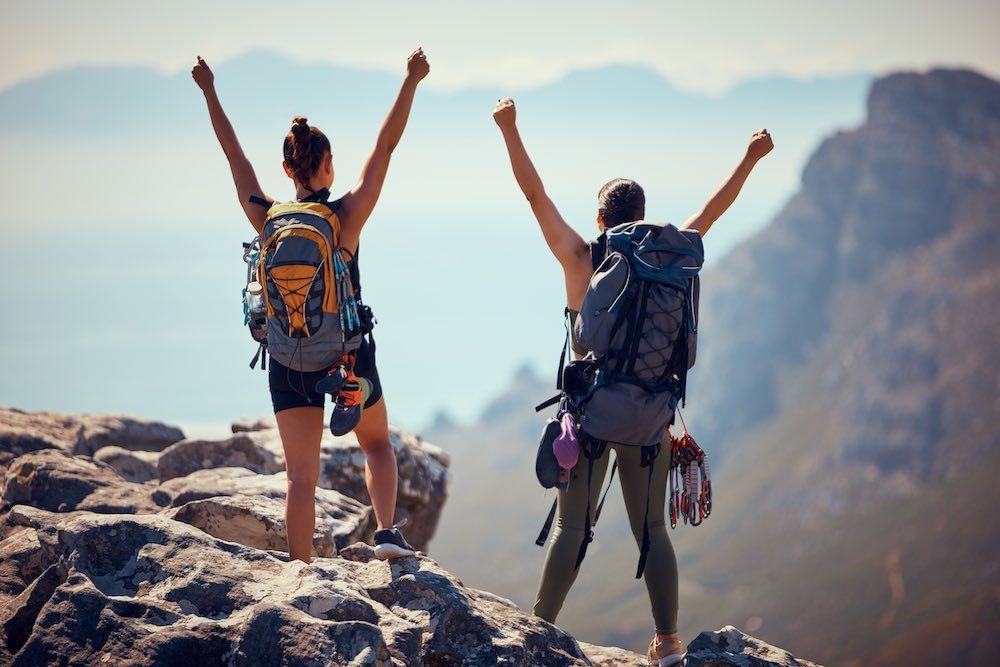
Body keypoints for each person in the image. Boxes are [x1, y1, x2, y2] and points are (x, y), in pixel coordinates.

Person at [492, 96, 773, 666]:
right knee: (652, 531)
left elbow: (534, 195)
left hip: (593, 419)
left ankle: (538, 635)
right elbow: (712, 210)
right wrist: (751, 157)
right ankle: (668, 644)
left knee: (574, 526)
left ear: (601, 220)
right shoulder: (673, 256)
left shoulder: (582, 257)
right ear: (644, 216)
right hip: (651, 419)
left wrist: (509, 128)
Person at [192, 48, 431, 563]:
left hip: (287, 356)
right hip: (345, 355)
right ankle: (387, 533)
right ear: (327, 166)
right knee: (377, 446)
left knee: (301, 479)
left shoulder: (266, 217)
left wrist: (209, 91)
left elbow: (235, 160)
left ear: (285, 169)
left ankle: (300, 572)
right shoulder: (346, 216)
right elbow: (385, 147)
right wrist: (411, 80)